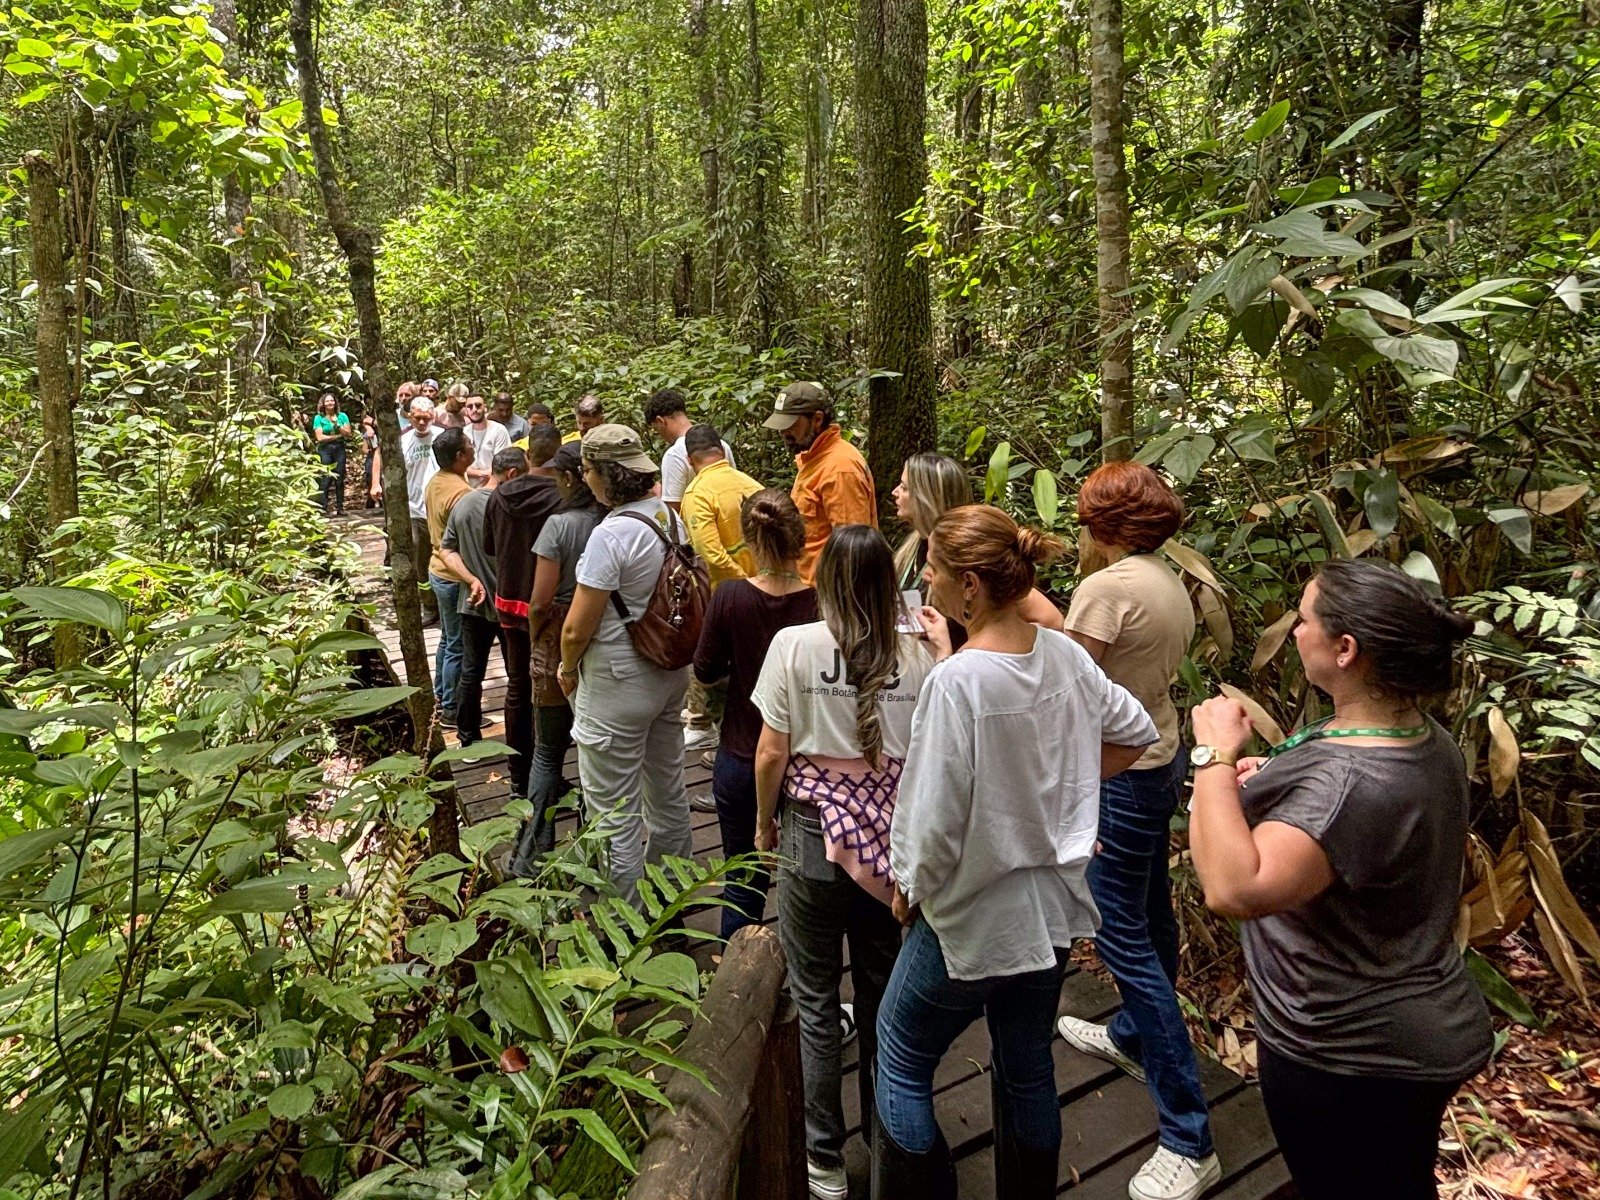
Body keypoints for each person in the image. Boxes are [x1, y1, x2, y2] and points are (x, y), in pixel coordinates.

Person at [873, 505, 1158, 1199]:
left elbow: (934, 818)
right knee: (1027, 1061)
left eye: (934, 571)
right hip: (1051, 909)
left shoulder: (959, 681)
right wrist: (1054, 788)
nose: (927, 582)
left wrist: (906, 885)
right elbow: (1136, 730)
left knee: (902, 1055)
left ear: (969, 585)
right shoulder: (1060, 654)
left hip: (973, 913)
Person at [1188, 560, 1490, 1200]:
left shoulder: (1349, 782)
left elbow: (1234, 888)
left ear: (1346, 649)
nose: (1294, 631)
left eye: (1303, 619)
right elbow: (1340, 815)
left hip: (1348, 1048)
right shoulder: (1420, 736)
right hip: (1410, 1021)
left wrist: (1213, 756)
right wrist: (1274, 785)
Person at [751, 525, 933, 1200]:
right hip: (894, 843)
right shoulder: (920, 655)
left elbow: (772, 751)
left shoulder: (794, 646)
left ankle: (822, 1161)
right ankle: (888, 1148)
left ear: (825, 580)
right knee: (886, 1000)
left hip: (811, 834)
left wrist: (764, 823)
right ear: (891, 583)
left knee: (816, 999)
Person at [1051, 462, 1216, 1200]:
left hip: (1116, 770)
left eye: (1087, 519)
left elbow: (1070, 690)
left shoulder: (1105, 589)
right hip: (1160, 754)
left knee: (1121, 933)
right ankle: (1128, 1036)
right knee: (1148, 908)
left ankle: (1188, 1133)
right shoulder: (1166, 578)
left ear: (1105, 527)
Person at [556, 424, 694, 902]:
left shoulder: (611, 535)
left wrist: (566, 667)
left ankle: (625, 924)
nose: (584, 478)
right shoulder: (670, 518)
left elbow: (577, 627)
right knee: (668, 790)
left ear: (603, 476)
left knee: (614, 810)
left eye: (587, 470)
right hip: (670, 673)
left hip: (617, 683)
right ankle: (669, 896)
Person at [692, 489, 816, 937]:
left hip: (743, 752)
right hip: (807, 761)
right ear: (800, 539)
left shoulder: (729, 598)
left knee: (743, 871)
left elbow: (704, 671)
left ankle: (735, 966)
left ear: (747, 541)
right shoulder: (820, 605)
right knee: (808, 880)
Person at [509, 441, 606, 874]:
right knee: (593, 748)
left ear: (570, 479)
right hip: (603, 635)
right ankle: (595, 850)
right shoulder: (610, 520)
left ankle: (531, 853)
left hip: (557, 638)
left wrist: (535, 637)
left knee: (548, 751)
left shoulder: (559, 527)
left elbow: (541, 601)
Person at [892, 452, 1065, 636]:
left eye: (904, 487)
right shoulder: (914, 545)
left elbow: (1051, 621)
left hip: (962, 662)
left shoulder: (967, 553)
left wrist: (987, 654)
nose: (895, 492)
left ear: (926, 497)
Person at [484, 424, 565, 795]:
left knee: (518, 686)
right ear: (558, 453)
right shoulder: (565, 498)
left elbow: (489, 547)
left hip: (508, 604)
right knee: (553, 689)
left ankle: (518, 779)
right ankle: (549, 775)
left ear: (528, 453)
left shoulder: (498, 496)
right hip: (549, 606)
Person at [675, 422, 761, 757]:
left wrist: (741, 583)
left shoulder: (697, 494)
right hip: (765, 584)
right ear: (722, 451)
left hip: (726, 594)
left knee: (712, 662)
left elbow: (709, 554)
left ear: (689, 458)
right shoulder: (751, 484)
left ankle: (707, 727)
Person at [437, 447, 525, 747]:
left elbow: (446, 549)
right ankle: (521, 737)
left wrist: (470, 580)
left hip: (472, 603)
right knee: (517, 674)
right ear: (512, 475)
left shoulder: (464, 504)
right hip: (510, 607)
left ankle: (468, 738)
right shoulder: (513, 507)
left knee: (471, 672)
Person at [763, 381, 876, 584]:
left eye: (789, 425)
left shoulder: (839, 468)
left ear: (817, 419)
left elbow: (853, 549)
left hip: (828, 593)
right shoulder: (813, 459)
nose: (783, 433)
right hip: (809, 588)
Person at [425, 428, 474, 725]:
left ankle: (442, 697)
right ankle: (453, 710)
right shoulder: (459, 493)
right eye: (469, 444)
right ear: (459, 456)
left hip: (437, 571)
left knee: (448, 638)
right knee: (458, 644)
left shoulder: (439, 481)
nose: (473, 446)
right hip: (454, 575)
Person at [644, 388, 737, 513]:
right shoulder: (721, 445)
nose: (659, 434)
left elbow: (673, 512)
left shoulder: (674, 454)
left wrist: (658, 496)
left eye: (656, 429)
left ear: (661, 421)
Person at [395, 397, 441, 622]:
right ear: (409, 416)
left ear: (433, 415)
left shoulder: (443, 437)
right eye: (418, 418)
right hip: (415, 510)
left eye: (426, 417)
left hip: (441, 508)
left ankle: (448, 604)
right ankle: (429, 606)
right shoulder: (403, 442)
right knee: (421, 559)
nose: (422, 422)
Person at [311, 393, 351, 516]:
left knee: (339, 478)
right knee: (325, 478)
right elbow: (319, 437)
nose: (330, 403)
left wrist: (338, 426)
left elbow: (348, 434)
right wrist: (337, 436)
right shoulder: (319, 418)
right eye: (327, 401)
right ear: (323, 404)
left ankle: (340, 508)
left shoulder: (342, 416)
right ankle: (323, 508)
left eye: (332, 401)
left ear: (335, 402)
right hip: (325, 450)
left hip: (339, 448)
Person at [462, 393, 512, 487]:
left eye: (478, 405)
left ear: (485, 408)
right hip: (467, 487)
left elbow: (502, 465)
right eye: (470, 406)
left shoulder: (499, 430)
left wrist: (483, 488)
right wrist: (480, 474)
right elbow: (460, 464)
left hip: (493, 486)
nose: (474, 410)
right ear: (465, 411)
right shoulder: (464, 432)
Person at [360, 415, 380, 510]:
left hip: (380, 456)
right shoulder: (367, 435)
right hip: (371, 457)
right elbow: (364, 449)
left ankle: (379, 501)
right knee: (369, 478)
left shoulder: (380, 435)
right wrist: (371, 450)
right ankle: (371, 502)